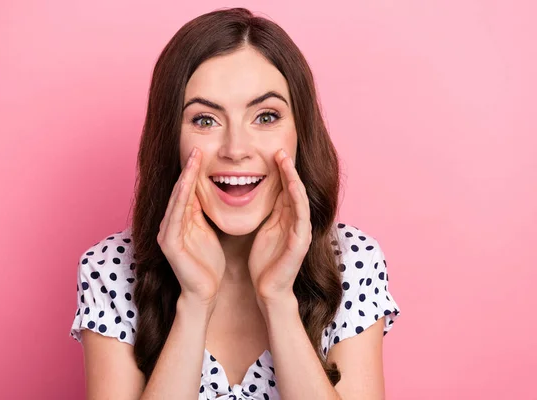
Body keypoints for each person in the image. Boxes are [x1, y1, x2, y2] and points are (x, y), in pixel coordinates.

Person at [70, 7, 401, 400]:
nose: (236, 150)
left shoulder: (353, 262)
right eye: (205, 120)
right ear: (170, 139)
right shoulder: (111, 269)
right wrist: (195, 302)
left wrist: (277, 300)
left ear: (300, 133)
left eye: (265, 116)